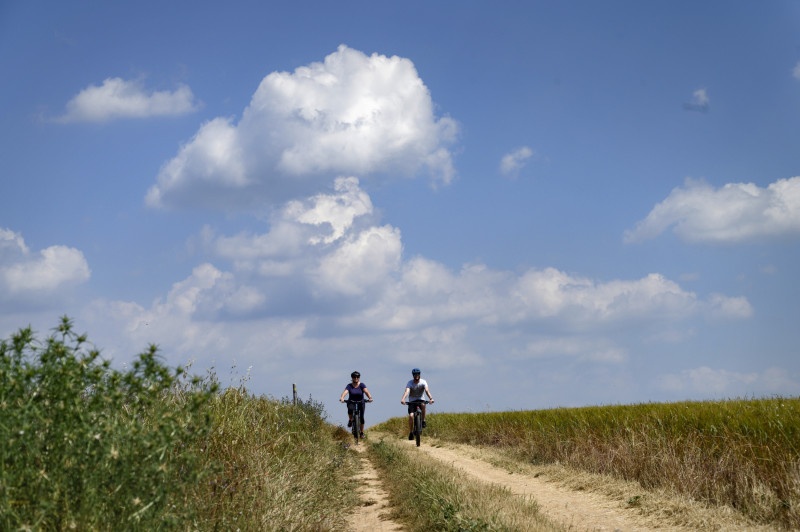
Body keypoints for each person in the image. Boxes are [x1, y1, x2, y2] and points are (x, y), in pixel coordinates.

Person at [400, 368, 434, 441]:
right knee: (411, 416)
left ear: (420, 374)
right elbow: (407, 392)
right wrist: (403, 399)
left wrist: (431, 398)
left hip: (421, 399)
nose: (416, 376)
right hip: (412, 401)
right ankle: (411, 432)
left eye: (418, 374)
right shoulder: (410, 383)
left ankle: (423, 421)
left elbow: (427, 391)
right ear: (413, 375)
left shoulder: (423, 382)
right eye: (415, 374)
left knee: (423, 405)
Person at [339, 371, 373, 438]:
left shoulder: (362, 385)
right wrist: (342, 398)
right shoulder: (349, 386)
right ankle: (350, 420)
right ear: (352, 378)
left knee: (362, 417)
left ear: (359, 378)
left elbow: (366, 391)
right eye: (354, 377)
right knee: (350, 409)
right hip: (351, 401)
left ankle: (362, 432)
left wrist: (370, 397)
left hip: (361, 402)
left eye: (357, 377)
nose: (356, 378)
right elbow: (345, 392)